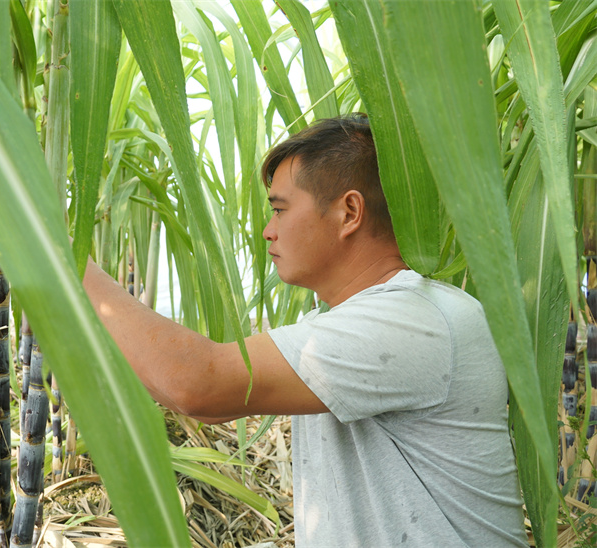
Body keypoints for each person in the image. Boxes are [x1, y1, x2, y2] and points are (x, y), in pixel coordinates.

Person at [79, 114, 528, 546]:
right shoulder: (343, 321)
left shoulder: (414, 319)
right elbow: (211, 407)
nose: (266, 231)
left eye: (279, 209)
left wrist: (68, 255)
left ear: (349, 212)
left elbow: (201, 383)